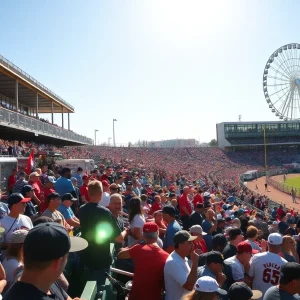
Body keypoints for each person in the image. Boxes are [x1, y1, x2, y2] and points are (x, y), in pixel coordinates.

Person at [3, 222, 87, 300]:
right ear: (58, 263)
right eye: (67, 256)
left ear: (23, 254)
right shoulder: (46, 279)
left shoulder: (43, 279)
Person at [79, 180, 121, 290]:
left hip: (86, 257)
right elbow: (118, 238)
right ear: (101, 194)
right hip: (101, 259)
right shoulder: (104, 212)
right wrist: (127, 231)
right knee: (100, 290)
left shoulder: (82, 209)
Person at [118, 222, 169, 300]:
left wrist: (138, 241)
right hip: (154, 296)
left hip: (136, 296)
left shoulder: (137, 249)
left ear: (143, 235)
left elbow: (120, 255)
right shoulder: (166, 256)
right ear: (157, 233)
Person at [164, 230, 199, 300]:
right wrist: (195, 263)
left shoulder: (182, 258)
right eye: (189, 243)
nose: (193, 245)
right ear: (180, 246)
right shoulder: (173, 262)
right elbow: (189, 286)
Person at [0, 193, 33, 259]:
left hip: (26, 258)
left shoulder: (27, 218)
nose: (26, 205)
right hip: (11, 261)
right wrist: (17, 246)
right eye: (23, 203)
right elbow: (0, 244)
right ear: (14, 206)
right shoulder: (1, 223)